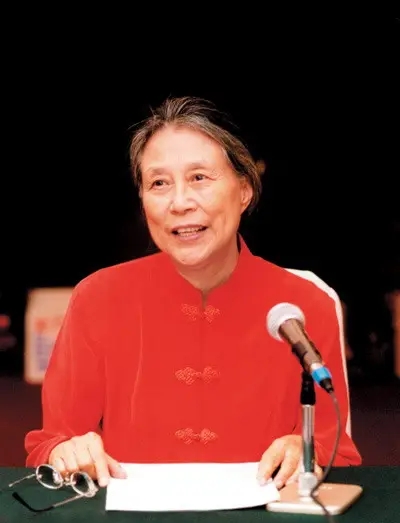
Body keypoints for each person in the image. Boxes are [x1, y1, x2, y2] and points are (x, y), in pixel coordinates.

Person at [25, 96, 362, 489]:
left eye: (199, 178)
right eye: (159, 183)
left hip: (264, 516)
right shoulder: (98, 297)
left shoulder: (302, 304)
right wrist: (66, 450)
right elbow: (54, 441)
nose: (180, 202)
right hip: (134, 517)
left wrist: (305, 450)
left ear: (244, 190)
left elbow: (335, 449)